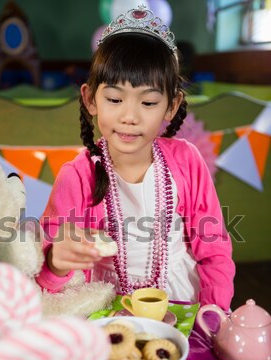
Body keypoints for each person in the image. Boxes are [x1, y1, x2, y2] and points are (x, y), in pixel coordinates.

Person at [36, 5, 235, 311]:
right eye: (114, 99)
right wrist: (55, 263)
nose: (129, 116)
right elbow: (46, 282)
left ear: (171, 105)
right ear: (91, 99)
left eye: (148, 102)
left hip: (184, 303)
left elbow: (214, 252)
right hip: (106, 309)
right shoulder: (76, 177)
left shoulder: (187, 161)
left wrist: (214, 312)